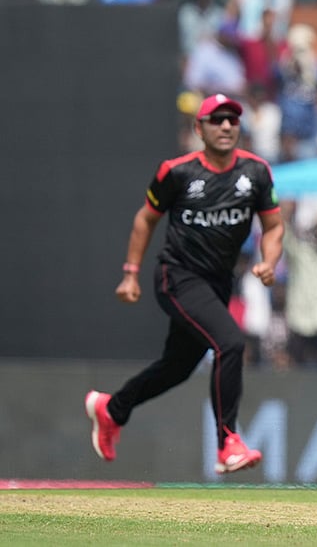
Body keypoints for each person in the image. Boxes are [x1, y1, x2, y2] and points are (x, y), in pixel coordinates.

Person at [84, 93, 284, 474]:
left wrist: (269, 261)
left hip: (216, 284)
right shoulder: (176, 172)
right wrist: (130, 273)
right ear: (199, 128)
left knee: (177, 367)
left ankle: (112, 409)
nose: (226, 126)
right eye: (217, 120)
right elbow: (146, 220)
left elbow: (273, 225)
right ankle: (228, 442)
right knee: (230, 342)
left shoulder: (256, 172)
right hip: (176, 276)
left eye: (233, 120)